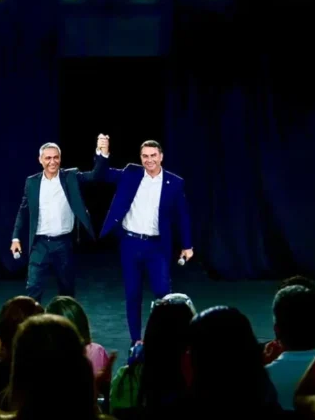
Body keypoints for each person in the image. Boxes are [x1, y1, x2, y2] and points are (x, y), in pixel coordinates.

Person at [96, 136, 193, 344]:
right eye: (145, 156)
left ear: (161, 157)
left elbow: (182, 215)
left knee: (163, 296)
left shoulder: (174, 183)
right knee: (133, 295)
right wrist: (103, 153)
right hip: (130, 244)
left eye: (153, 155)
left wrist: (187, 245)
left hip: (157, 246)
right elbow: (102, 174)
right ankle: (136, 341)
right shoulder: (131, 173)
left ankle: (164, 340)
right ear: (140, 158)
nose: (149, 160)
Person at [10, 138, 107, 303]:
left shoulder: (71, 176)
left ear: (60, 159)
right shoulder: (32, 182)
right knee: (33, 289)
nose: (52, 161)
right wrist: (15, 238)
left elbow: (95, 176)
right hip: (40, 244)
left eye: (56, 157)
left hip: (64, 244)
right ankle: (32, 319)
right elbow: (23, 211)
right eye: (48, 158)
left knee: (66, 292)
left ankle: (65, 320)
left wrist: (101, 153)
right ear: (40, 160)